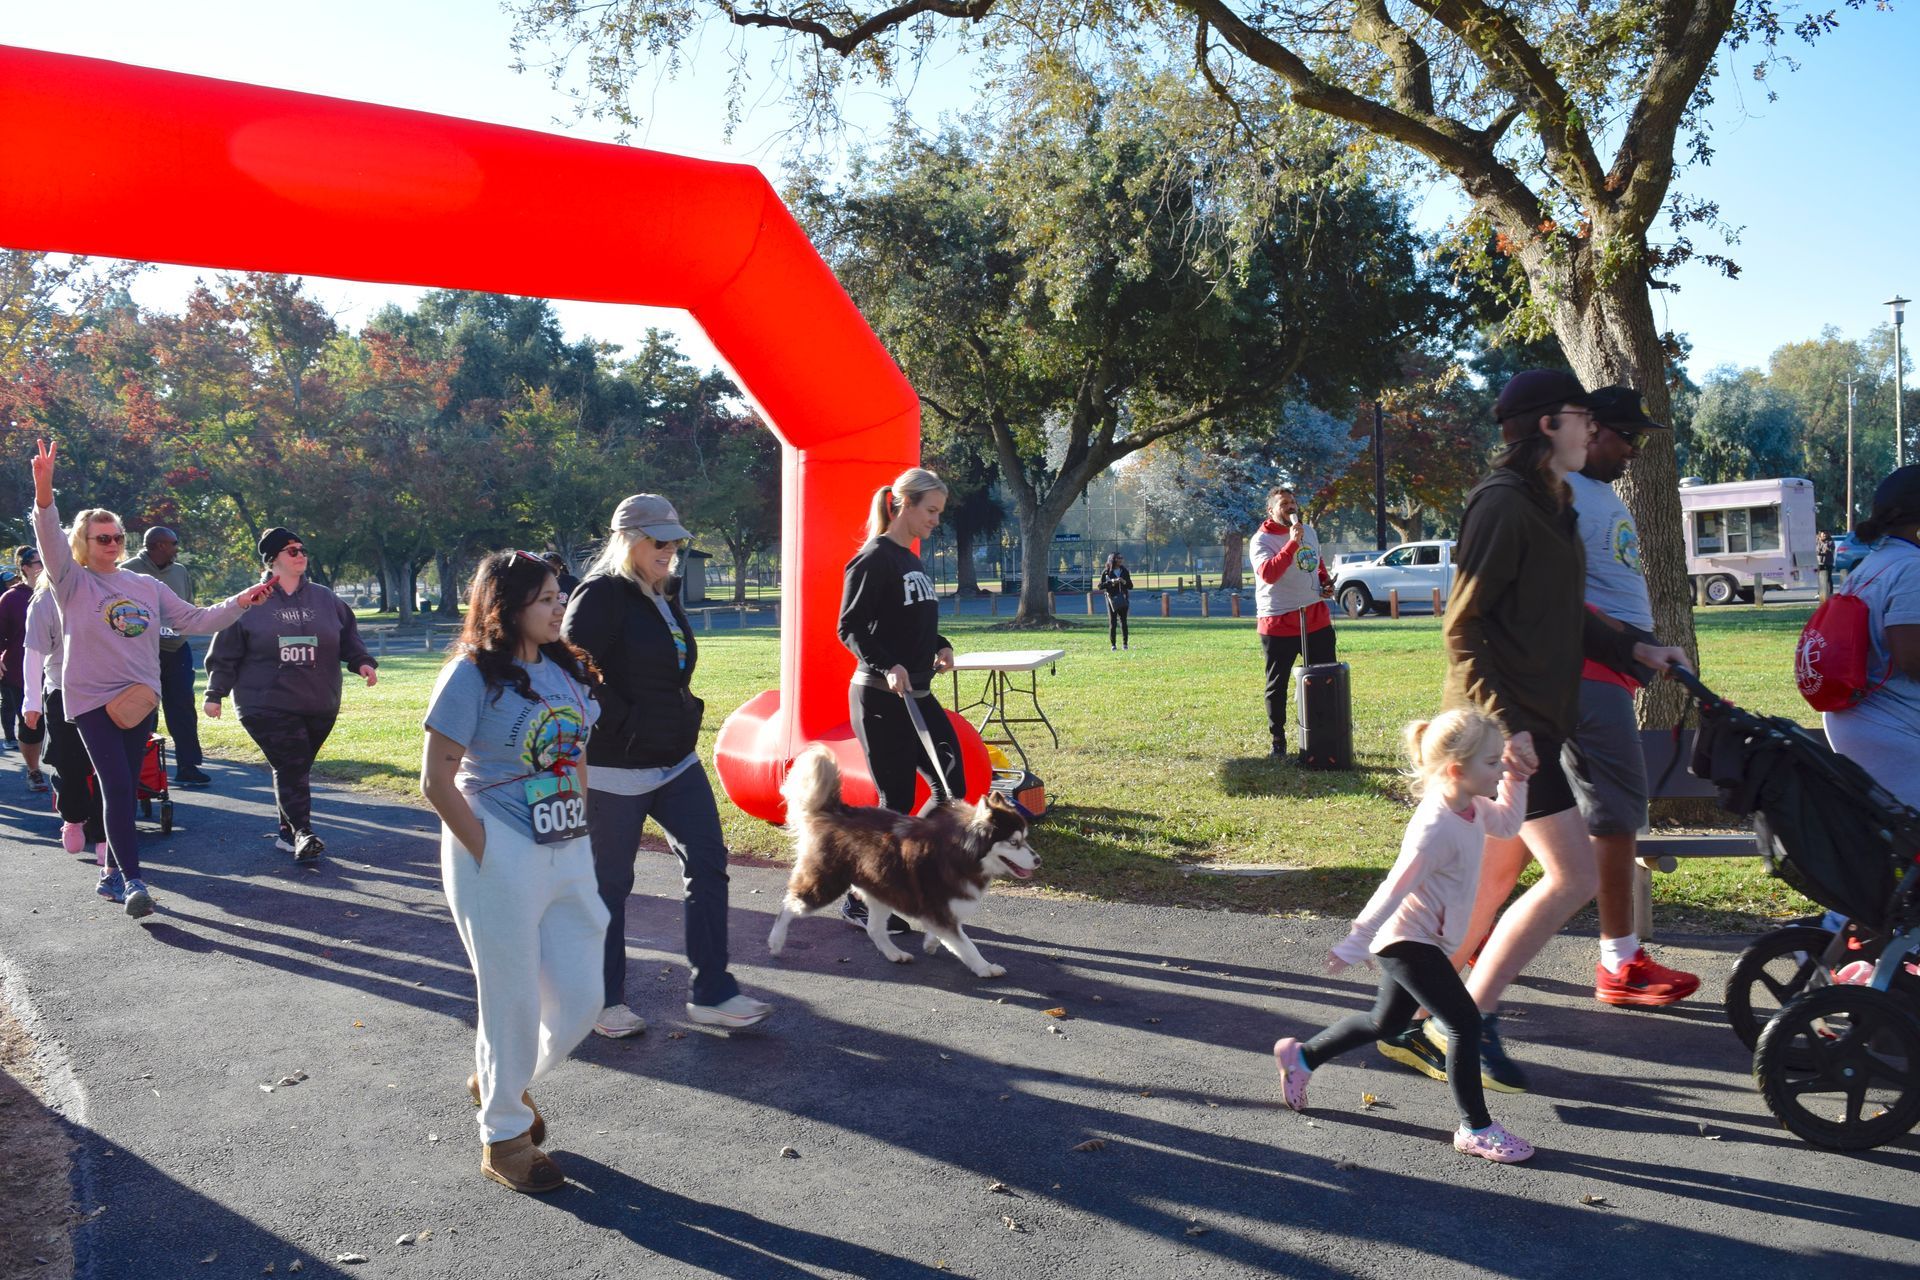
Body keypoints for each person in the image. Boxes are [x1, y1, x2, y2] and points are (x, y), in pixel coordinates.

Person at [1380, 371, 1686, 1093]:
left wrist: (1633, 649)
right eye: (1583, 418)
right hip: (1500, 728)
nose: (1594, 430)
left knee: (1499, 876)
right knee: (1557, 874)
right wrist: (1509, 728)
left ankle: (1432, 1015)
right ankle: (1455, 1020)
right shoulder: (1501, 503)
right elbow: (1464, 624)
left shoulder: (1552, 504)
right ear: (1550, 424)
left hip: (1528, 723)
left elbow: (1564, 614)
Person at [1272, 709, 1536, 1163]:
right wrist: (1355, 942)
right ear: (1457, 770)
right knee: (1464, 1023)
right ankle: (1476, 1128)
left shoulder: (1469, 805)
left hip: (1426, 938)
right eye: (1493, 763)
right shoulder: (1435, 828)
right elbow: (1392, 888)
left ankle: (1303, 1058)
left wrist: (1516, 777)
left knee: (1387, 1023)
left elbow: (1509, 826)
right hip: (1406, 940)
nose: (1501, 767)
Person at [421, 550, 606, 1194]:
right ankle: (504, 1136)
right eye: (547, 597)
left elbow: (575, 755)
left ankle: (501, 1077)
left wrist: (577, 831)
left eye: (560, 595)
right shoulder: (470, 676)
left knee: (585, 995)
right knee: (511, 994)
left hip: (564, 841)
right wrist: (486, 849)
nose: (560, 606)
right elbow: (435, 778)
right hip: (494, 842)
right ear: (507, 606)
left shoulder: (562, 668)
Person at [30, 440, 271, 917]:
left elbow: (196, 619)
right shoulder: (70, 581)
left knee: (128, 785)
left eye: (118, 536)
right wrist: (44, 491)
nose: (113, 544)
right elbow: (48, 539)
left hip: (139, 699)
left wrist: (241, 601)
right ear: (84, 543)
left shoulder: (145, 585)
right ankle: (132, 880)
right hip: (91, 700)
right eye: (103, 538)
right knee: (118, 783)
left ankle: (110, 873)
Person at [563, 494, 773, 1037]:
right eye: (659, 541)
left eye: (675, 539)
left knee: (708, 863)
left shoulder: (661, 593)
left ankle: (712, 992)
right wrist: (624, 720)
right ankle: (602, 1000)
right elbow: (571, 673)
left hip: (676, 760)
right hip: (614, 770)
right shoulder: (601, 595)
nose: (671, 549)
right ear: (628, 540)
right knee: (609, 884)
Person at [1559, 387, 1701, 1006]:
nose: (1636, 451)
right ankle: (1619, 962)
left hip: (1606, 669)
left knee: (1531, 816)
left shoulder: (1596, 491)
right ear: (1590, 431)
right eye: (1628, 437)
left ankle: (1466, 938)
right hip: (1591, 671)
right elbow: (1553, 590)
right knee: (1617, 814)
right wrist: (1629, 643)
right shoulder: (1561, 493)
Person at [203, 527, 379, 864]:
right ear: (272, 561)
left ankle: (287, 832)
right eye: (292, 551)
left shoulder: (325, 599)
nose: (301, 555)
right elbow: (225, 652)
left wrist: (362, 663)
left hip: (319, 701)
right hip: (264, 702)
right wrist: (215, 693)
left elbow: (348, 637)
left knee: (293, 768)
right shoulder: (250, 602)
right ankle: (303, 832)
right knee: (293, 761)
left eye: (302, 549)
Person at [837, 466, 963, 932]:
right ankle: (862, 897)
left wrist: (940, 642)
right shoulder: (873, 558)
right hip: (880, 697)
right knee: (896, 799)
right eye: (930, 511)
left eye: (939, 513)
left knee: (952, 789)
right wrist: (885, 664)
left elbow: (908, 620)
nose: (935, 520)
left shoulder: (911, 560)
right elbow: (849, 626)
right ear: (903, 505)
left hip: (920, 694)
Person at [1822, 465, 1920, 814]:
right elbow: (1911, 656)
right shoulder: (1912, 567)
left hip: (1860, 722)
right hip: (1894, 733)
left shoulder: (1873, 564)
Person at [22, 570, 105, 857]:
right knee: (70, 766)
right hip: (62, 692)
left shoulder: (111, 589)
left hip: (109, 693)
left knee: (109, 767)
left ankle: (106, 837)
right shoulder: (45, 599)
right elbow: (33, 653)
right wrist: (31, 701)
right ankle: (72, 818)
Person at [1250, 486, 1336, 759]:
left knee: (1324, 679)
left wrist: (1324, 583)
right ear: (1271, 510)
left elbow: (1315, 560)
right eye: (1284, 503)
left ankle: (1323, 734)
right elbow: (1269, 573)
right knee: (1278, 683)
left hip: (1315, 617)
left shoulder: (1308, 530)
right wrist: (1290, 542)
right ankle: (1278, 739)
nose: (1290, 507)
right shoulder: (1260, 540)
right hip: (1278, 620)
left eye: (1293, 503)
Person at [122, 526, 212, 786]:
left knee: (183, 707)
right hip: (141, 653)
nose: (177, 548)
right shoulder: (128, 571)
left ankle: (188, 765)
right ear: (160, 545)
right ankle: (142, 769)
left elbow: (187, 604)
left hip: (176, 651)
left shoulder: (180, 571)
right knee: (144, 710)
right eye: (174, 543)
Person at [0, 558, 28, 754]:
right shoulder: (9, 598)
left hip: (45, 668)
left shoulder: (52, 593)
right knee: (11, 704)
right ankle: (10, 736)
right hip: (12, 666)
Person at [1098, 552, 1134, 651]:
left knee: (1123, 621)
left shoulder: (1124, 571)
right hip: (1111, 599)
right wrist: (1111, 582)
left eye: (1121, 558)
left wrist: (1123, 582)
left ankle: (1125, 644)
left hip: (1123, 598)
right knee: (1113, 622)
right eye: (1118, 558)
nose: (1121, 560)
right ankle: (1113, 645)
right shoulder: (1106, 572)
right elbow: (1100, 586)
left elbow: (1130, 586)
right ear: (1113, 559)